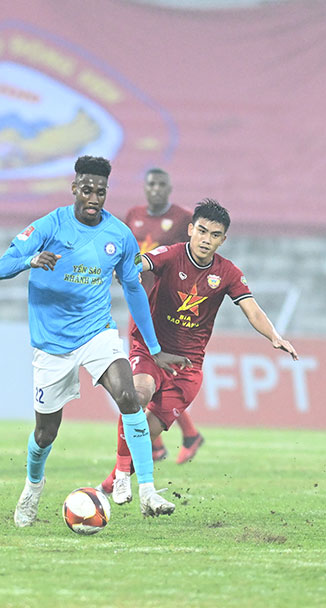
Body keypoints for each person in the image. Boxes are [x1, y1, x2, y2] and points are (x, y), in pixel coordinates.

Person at [0, 155, 190, 526]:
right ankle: (33, 487)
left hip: (96, 332)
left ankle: (146, 489)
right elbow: (0, 267)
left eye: (100, 192)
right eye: (87, 190)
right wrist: (31, 260)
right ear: (74, 189)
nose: (94, 198)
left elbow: (133, 288)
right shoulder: (50, 225)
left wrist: (153, 348)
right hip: (52, 344)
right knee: (45, 431)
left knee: (129, 397)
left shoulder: (118, 235)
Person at [99, 199, 298, 505]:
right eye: (202, 231)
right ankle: (124, 476)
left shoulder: (227, 273)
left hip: (188, 367)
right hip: (151, 350)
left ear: (223, 239)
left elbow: (251, 308)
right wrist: (126, 267)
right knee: (137, 396)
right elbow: (145, 261)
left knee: (147, 431)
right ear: (190, 230)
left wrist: (274, 336)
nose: (206, 239)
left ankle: (115, 481)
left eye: (214, 235)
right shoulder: (173, 254)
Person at [124, 168, 203, 464]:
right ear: (144, 188)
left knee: (149, 376)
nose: (155, 189)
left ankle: (163, 442)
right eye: (151, 184)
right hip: (138, 303)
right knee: (143, 376)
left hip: (167, 308)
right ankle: (175, 439)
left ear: (169, 188)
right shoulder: (133, 215)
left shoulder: (184, 218)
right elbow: (123, 252)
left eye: (161, 184)